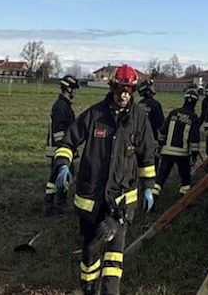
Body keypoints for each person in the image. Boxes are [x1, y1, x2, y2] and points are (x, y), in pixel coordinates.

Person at [52, 65, 157, 295]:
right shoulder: (94, 115)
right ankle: (88, 287)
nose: (124, 95)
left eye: (129, 90)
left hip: (120, 200)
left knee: (114, 257)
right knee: (90, 250)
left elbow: (147, 156)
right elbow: (68, 142)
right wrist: (63, 165)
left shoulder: (139, 119)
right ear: (113, 88)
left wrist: (149, 187)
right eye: (120, 90)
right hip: (91, 199)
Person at [156, 87, 202, 197]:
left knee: (161, 178)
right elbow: (195, 138)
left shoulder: (173, 113)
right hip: (183, 154)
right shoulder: (193, 117)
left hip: (167, 152)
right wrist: (195, 154)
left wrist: (160, 144)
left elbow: (162, 131)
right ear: (195, 102)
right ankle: (183, 199)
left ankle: (151, 198)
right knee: (185, 179)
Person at [45, 75, 79, 216]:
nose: (75, 93)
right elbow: (59, 132)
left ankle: (50, 207)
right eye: (74, 89)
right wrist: (64, 148)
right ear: (68, 88)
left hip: (61, 149)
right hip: (60, 150)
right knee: (61, 178)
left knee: (54, 180)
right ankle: (59, 207)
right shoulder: (61, 107)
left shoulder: (63, 105)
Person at [137, 79, 165, 145]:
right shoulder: (155, 104)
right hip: (151, 139)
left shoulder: (139, 104)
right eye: (151, 87)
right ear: (148, 91)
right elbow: (160, 124)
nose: (153, 88)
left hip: (138, 139)